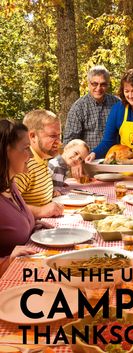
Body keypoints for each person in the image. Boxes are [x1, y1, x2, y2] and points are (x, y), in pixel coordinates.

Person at [0, 119, 37, 276]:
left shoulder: (11, 185)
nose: (30, 156)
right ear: (7, 150)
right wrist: (7, 261)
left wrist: (36, 225)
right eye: (26, 148)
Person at [14, 109, 64, 218]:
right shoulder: (25, 166)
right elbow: (9, 206)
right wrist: (40, 211)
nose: (59, 142)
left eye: (59, 135)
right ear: (32, 136)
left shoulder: (43, 159)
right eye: (52, 136)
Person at [63, 65, 119, 150]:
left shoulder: (117, 104)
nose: (98, 88)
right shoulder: (79, 107)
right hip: (88, 159)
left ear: (108, 85)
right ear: (88, 84)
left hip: (113, 159)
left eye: (103, 84)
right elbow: (69, 141)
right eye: (94, 84)